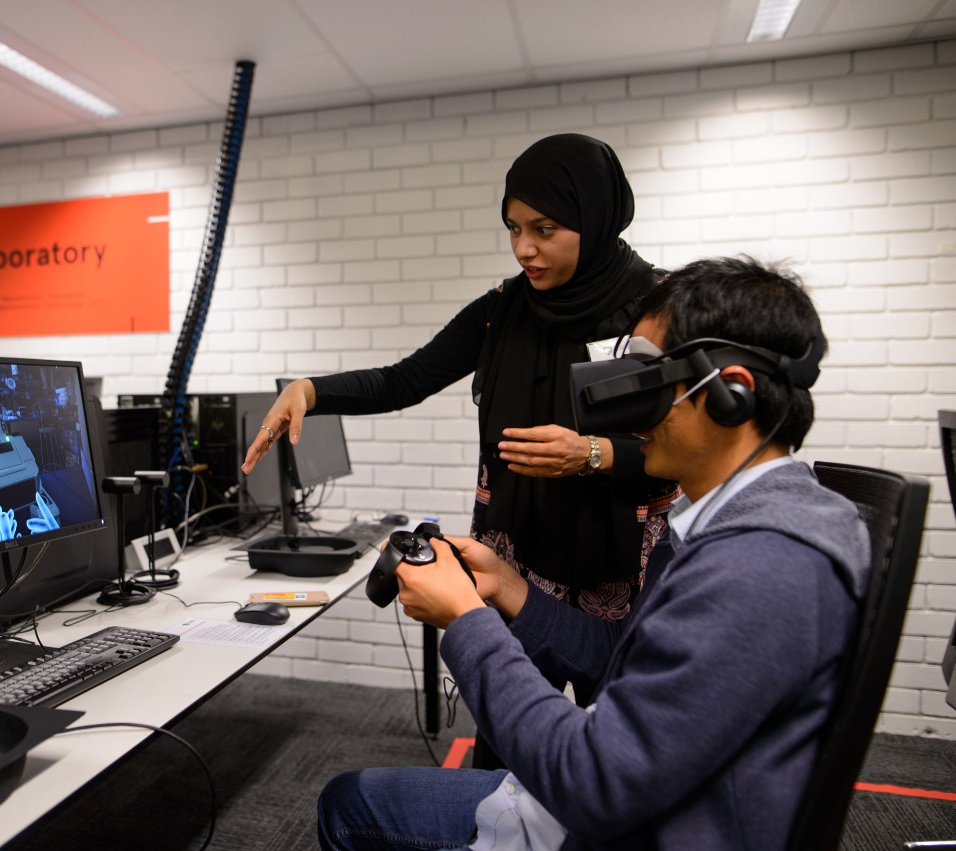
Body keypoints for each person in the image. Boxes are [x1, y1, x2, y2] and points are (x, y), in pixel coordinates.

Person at [315, 255, 871, 850]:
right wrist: (509, 589)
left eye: (647, 377)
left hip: (623, 822)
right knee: (351, 796)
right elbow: (620, 662)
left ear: (730, 393)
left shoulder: (761, 565)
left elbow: (594, 785)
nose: (622, 409)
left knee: (349, 809)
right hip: (644, 796)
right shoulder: (735, 518)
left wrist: (467, 621)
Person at [242, 133, 674, 627]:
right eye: (513, 228)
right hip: (517, 554)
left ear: (596, 219)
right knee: (513, 697)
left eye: (545, 228)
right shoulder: (504, 309)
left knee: (615, 699)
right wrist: (311, 390)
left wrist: (592, 453)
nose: (524, 248)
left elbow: (695, 447)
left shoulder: (660, 309)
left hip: (623, 559)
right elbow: (405, 380)